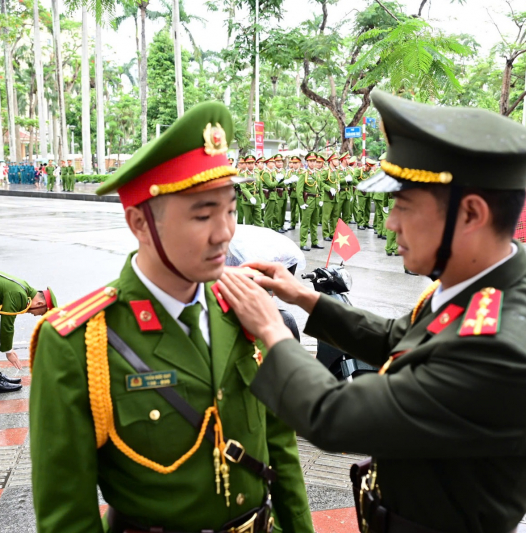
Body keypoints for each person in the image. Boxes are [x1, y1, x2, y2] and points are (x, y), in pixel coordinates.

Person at [217, 90, 526, 533]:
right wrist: (302, 296)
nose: (392, 222)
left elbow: (335, 417)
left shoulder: (499, 348)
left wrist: (271, 329)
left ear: (471, 213)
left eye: (404, 205)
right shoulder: (480, 290)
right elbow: (400, 340)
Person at [28, 101, 313, 533]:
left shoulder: (240, 306)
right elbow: (67, 515)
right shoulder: (78, 342)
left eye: (231, 210)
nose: (225, 233)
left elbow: (281, 449)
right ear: (140, 222)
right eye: (203, 214)